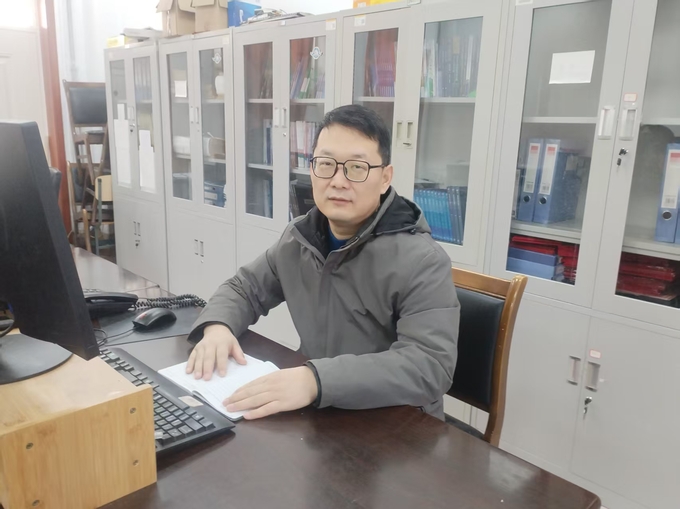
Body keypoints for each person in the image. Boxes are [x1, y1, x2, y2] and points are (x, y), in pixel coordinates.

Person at [186, 104, 459, 420]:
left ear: (385, 178)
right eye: (326, 164)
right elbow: (244, 288)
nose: (338, 181)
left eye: (356, 168)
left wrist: (315, 380)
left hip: (395, 424)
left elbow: (429, 366)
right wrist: (218, 327)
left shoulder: (422, 261)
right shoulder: (300, 238)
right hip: (319, 412)